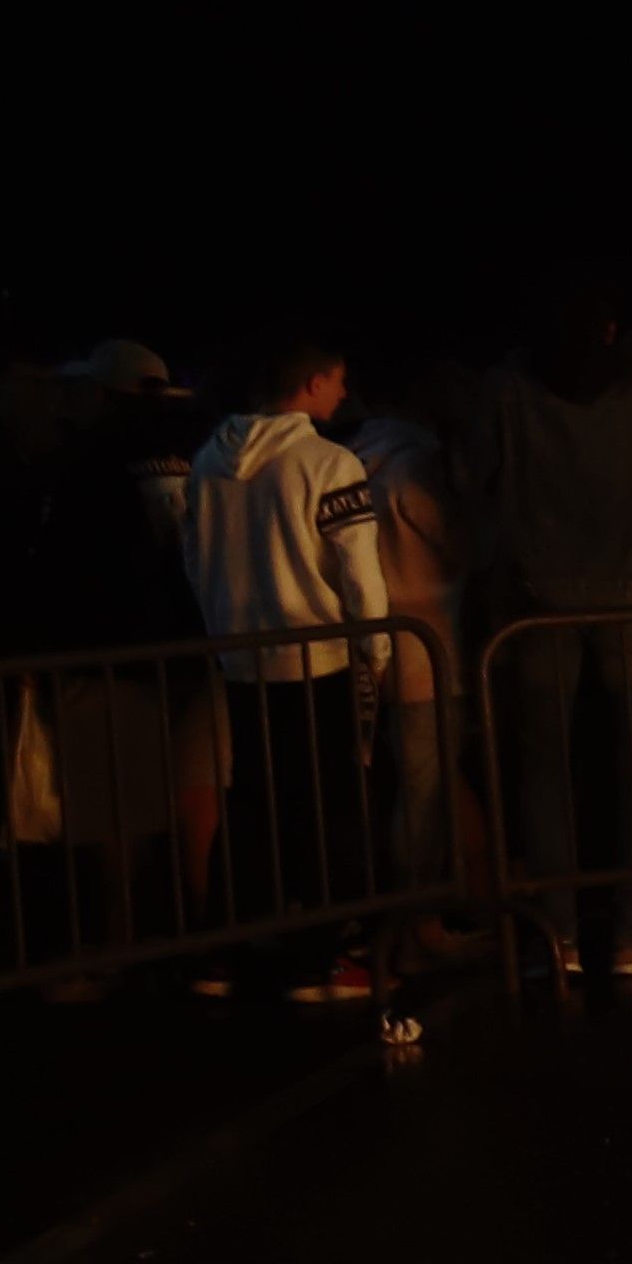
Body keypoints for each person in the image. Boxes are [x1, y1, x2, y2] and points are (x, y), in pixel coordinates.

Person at [464, 294, 632, 975]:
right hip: (631, 598)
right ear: (610, 328)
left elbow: (472, 484)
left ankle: (558, 937)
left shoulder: (505, 387)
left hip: (535, 603)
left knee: (544, 768)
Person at [179, 338, 394, 977]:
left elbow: (194, 561)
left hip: (240, 659)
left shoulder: (206, 462)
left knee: (252, 805)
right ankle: (329, 956)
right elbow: (357, 569)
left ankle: (228, 950)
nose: (343, 393)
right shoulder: (328, 463)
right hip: (318, 657)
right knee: (329, 805)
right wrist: (374, 645)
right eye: (337, 380)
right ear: (311, 383)